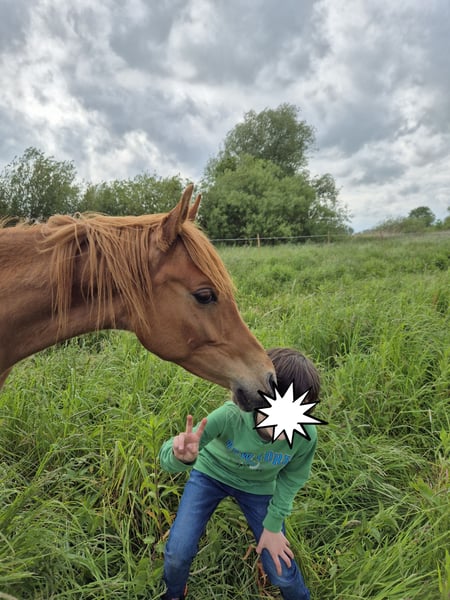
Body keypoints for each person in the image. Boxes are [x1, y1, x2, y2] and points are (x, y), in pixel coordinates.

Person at [159, 347, 320, 600]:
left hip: (258, 488)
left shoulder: (305, 436)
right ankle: (174, 594)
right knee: (178, 552)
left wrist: (273, 526)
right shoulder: (230, 416)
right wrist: (181, 457)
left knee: (281, 570)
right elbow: (168, 457)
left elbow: (293, 477)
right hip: (211, 475)